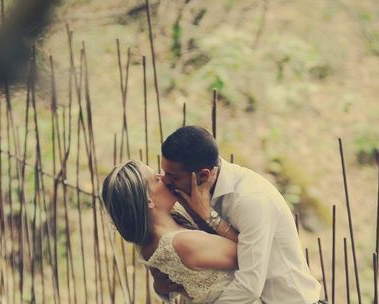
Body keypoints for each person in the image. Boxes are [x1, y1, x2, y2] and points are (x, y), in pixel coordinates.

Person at [161, 125, 324, 304]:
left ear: (203, 175)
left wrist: (208, 215)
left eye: (173, 177)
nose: (165, 181)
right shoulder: (190, 197)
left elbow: (249, 286)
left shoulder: (251, 199)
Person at [101, 159, 238, 303]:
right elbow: (249, 252)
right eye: (156, 179)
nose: (164, 179)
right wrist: (207, 213)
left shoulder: (146, 244)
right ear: (149, 201)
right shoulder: (182, 243)